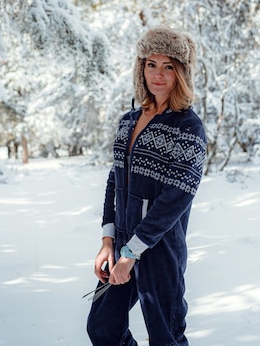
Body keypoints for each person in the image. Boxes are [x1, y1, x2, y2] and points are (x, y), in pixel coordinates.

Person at [86, 26, 207, 346]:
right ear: (141, 68)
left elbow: (176, 199)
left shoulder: (188, 127)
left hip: (159, 249)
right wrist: (108, 239)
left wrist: (132, 253)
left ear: (181, 73)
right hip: (122, 241)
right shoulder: (129, 120)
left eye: (169, 66)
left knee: (165, 336)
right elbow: (116, 178)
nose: (159, 74)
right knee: (102, 327)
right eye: (151, 64)